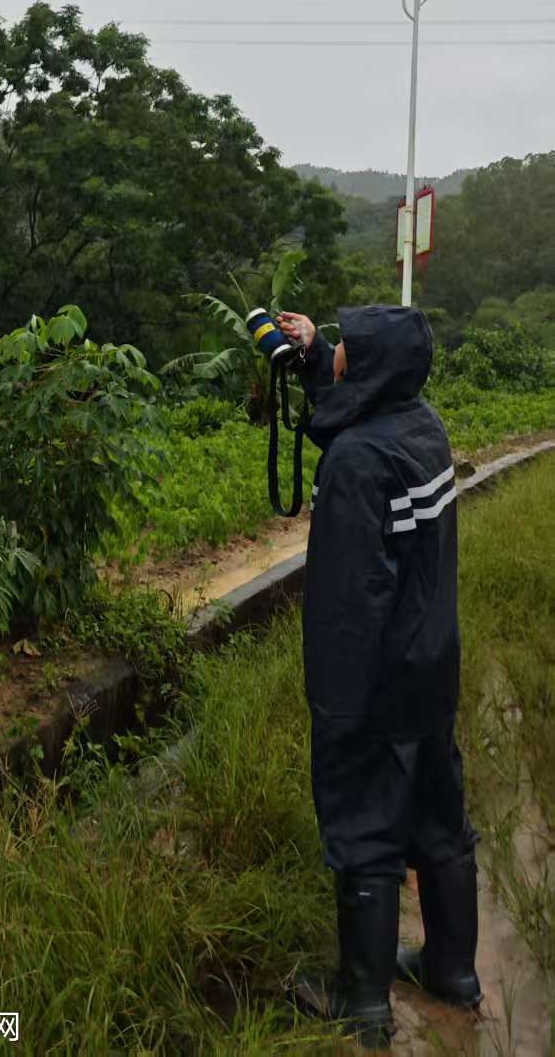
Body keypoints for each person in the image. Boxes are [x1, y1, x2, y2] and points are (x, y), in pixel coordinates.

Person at [273, 304, 480, 1051]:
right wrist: (311, 351)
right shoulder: (420, 427)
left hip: (379, 679)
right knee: (438, 815)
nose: (338, 356)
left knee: (364, 821)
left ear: (368, 368)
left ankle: (360, 1003)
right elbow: (355, 405)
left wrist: (337, 710)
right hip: (431, 665)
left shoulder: (356, 464)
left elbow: (346, 604)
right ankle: (452, 971)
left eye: (345, 349)